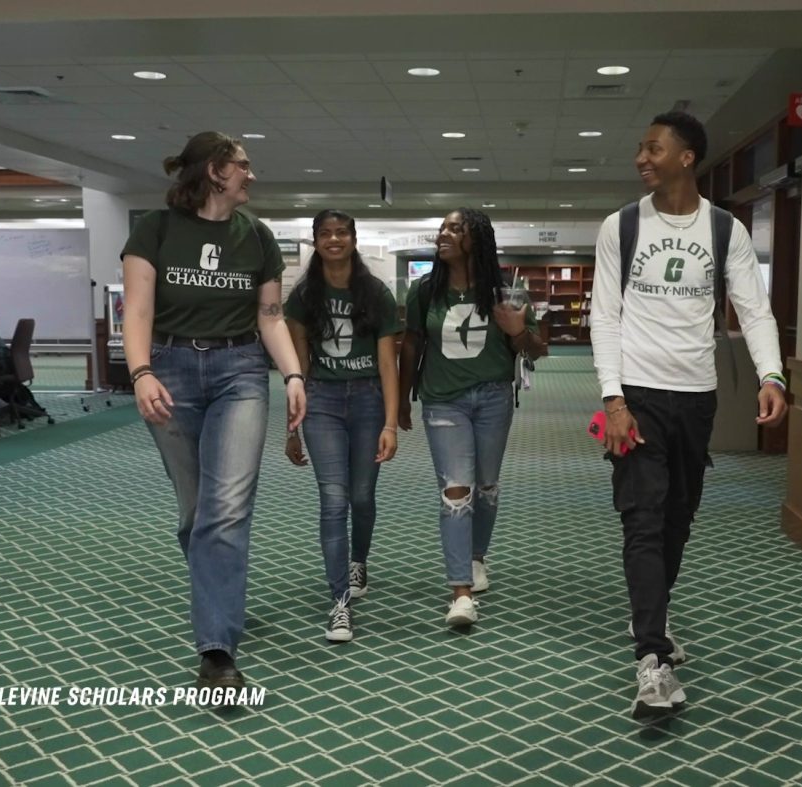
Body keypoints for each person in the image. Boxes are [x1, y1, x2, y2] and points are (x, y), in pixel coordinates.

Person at [590, 111, 787, 719]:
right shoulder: (621, 227)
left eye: (653, 149)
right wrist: (613, 400)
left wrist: (771, 374)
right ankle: (653, 660)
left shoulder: (725, 230)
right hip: (638, 396)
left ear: (686, 157)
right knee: (643, 518)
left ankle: (652, 608)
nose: (641, 158)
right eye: (640, 148)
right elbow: (604, 316)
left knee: (677, 519)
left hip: (697, 398)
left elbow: (754, 310)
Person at [120, 131, 306, 693]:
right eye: (243, 166)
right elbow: (138, 309)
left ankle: (216, 649)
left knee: (225, 509)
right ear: (214, 171)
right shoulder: (155, 229)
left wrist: (294, 374)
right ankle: (218, 595)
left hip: (240, 372)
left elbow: (270, 317)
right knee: (195, 512)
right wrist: (140, 372)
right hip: (170, 370)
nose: (252, 175)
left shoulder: (259, 237)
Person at [397, 208, 547, 628]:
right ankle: (460, 592)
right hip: (443, 402)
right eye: (442, 227)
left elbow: (538, 350)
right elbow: (410, 344)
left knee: (487, 486)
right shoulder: (425, 291)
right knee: (456, 492)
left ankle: (478, 557)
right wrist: (403, 400)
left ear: (476, 240)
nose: (443, 234)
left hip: (494, 398)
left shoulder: (506, 291)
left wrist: (517, 329)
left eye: (454, 229)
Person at [283, 209, 400, 643]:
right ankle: (340, 604)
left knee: (362, 495)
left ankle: (359, 560)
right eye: (325, 234)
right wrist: (292, 426)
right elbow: (298, 366)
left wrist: (391, 422)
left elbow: (389, 362)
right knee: (333, 500)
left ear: (353, 239)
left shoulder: (375, 293)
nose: (334, 240)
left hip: (368, 398)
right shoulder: (302, 297)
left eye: (341, 233)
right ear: (316, 241)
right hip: (323, 402)